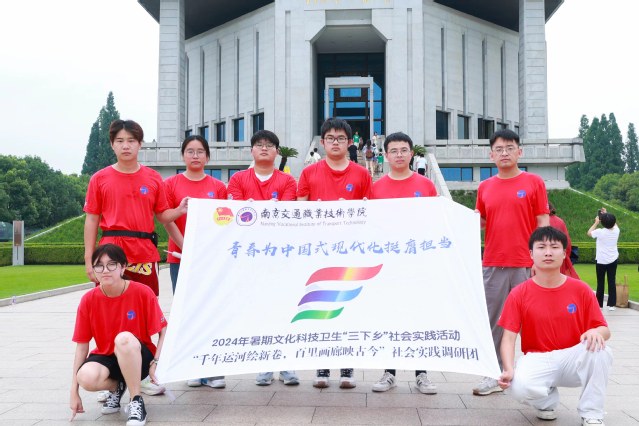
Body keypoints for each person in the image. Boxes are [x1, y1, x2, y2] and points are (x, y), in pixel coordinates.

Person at [83, 119, 187, 397]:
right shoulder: (100, 178)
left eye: (131, 140)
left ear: (140, 144)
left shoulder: (153, 178)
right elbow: (91, 219)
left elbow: (162, 216)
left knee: (144, 314)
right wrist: (88, 259)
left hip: (143, 253)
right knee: (108, 313)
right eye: (120, 141)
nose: (126, 146)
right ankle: (111, 374)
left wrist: (179, 211)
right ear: (112, 145)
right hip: (110, 255)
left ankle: (143, 373)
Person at [498, 227, 612, 426]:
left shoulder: (581, 289)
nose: (548, 252)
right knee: (517, 387)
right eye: (541, 247)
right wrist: (508, 369)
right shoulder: (519, 293)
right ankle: (546, 401)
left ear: (564, 253)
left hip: (573, 358)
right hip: (539, 358)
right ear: (531, 254)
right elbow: (508, 338)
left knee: (601, 350)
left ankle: (592, 413)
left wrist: (595, 331)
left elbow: (604, 329)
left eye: (554, 247)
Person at [474, 129, 549, 396]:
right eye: (499, 149)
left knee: (532, 321)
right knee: (493, 321)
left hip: (524, 264)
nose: (504, 153)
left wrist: (540, 259)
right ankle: (494, 373)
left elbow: (543, 221)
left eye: (509, 148)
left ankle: (538, 374)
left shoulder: (533, 182)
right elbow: (481, 221)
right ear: (491, 155)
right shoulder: (485, 187)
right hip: (493, 263)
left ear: (520, 151)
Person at [298, 117, 372, 389]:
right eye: (330, 138)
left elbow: (370, 212)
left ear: (350, 142)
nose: (335, 143)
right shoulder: (309, 173)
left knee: (347, 308)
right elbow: (300, 210)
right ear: (322, 142)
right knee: (320, 308)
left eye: (341, 138)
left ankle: (347, 368)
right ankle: (322, 367)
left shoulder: (362, 174)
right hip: (318, 252)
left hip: (350, 252)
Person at [227, 129, 300, 386]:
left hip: (281, 256)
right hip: (250, 257)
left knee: (285, 310)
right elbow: (236, 214)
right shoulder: (237, 179)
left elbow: (285, 216)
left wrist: (256, 209)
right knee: (259, 310)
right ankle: (264, 365)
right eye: (259, 144)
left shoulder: (287, 181)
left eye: (269, 145)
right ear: (252, 150)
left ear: (277, 151)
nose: (264, 148)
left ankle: (287, 364)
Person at [70, 244, 168, 426]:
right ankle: (118, 386)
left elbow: (164, 331)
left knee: (123, 339)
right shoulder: (88, 299)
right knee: (84, 376)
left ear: (123, 267)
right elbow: (82, 345)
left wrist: (156, 362)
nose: (105, 270)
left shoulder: (142, 292)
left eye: (111, 264)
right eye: (99, 265)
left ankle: (136, 400)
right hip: (107, 356)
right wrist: (73, 392)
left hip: (138, 356)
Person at [371, 132, 438, 394]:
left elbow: (436, 223)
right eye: (394, 151)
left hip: (418, 264)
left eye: (403, 150)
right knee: (390, 318)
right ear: (385, 155)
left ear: (412, 153)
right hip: (388, 265)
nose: (399, 155)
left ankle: (422, 374)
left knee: (419, 318)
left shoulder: (426, 185)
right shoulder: (375, 188)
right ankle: (389, 372)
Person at [163, 135, 228, 389]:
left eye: (200, 151)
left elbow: (225, 221)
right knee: (186, 312)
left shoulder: (218, 187)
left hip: (210, 259)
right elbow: (166, 219)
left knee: (212, 310)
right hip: (180, 257)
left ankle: (212, 368)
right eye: (190, 151)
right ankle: (192, 367)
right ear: (183, 156)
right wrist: (186, 247)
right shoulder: (171, 184)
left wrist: (205, 250)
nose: (195, 156)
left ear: (208, 157)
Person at [587, 208, 620, 310]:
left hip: (601, 260)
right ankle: (611, 305)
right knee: (611, 281)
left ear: (602, 222)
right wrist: (606, 214)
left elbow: (589, 233)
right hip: (613, 259)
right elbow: (614, 224)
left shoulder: (600, 232)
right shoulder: (617, 231)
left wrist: (596, 222)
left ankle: (599, 304)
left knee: (600, 282)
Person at [548, 201, 579, 279]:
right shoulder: (559, 221)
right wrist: (565, 256)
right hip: (559, 258)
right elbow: (567, 243)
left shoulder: (537, 220)